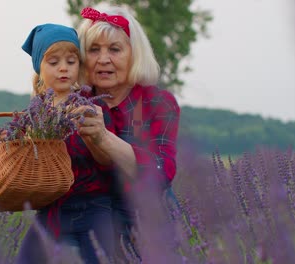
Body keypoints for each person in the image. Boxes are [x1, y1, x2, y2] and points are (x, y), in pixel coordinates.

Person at [74, 5, 181, 260]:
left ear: (135, 55)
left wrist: (104, 139)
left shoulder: (158, 103)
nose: (103, 59)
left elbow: (160, 172)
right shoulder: (74, 101)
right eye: (93, 50)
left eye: (115, 49)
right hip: (90, 221)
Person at [16, 23, 118, 263]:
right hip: (52, 209)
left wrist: (95, 137)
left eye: (71, 61)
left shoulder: (93, 106)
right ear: (39, 68)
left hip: (94, 208)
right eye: (54, 63)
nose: (64, 68)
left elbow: (108, 160)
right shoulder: (34, 113)